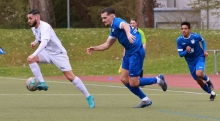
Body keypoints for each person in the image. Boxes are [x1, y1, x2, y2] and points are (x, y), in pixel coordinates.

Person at [87, 7, 167, 108]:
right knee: (124, 79)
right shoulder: (113, 29)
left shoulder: (117, 22)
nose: (103, 20)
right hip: (129, 53)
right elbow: (107, 45)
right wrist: (95, 48)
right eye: (102, 18)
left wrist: (128, 33)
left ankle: (158, 80)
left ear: (112, 16)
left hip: (136, 51)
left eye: (105, 17)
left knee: (134, 82)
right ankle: (145, 99)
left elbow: (125, 25)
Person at [27, 9, 95, 108]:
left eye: (30, 18)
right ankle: (42, 82)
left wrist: (34, 53)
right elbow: (39, 37)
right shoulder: (34, 27)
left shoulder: (45, 27)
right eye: (28, 18)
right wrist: (35, 42)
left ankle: (88, 96)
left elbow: (44, 42)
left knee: (70, 77)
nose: (28, 20)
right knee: (30, 60)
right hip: (47, 52)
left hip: (58, 54)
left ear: (37, 18)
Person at [176, 21, 216, 101]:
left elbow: (203, 41)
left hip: (199, 57)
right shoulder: (179, 40)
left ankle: (208, 81)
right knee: (198, 80)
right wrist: (186, 51)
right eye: (182, 29)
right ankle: (212, 93)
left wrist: (205, 50)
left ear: (189, 29)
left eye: (185, 29)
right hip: (190, 62)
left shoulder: (195, 36)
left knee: (199, 73)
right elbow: (180, 54)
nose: (183, 30)